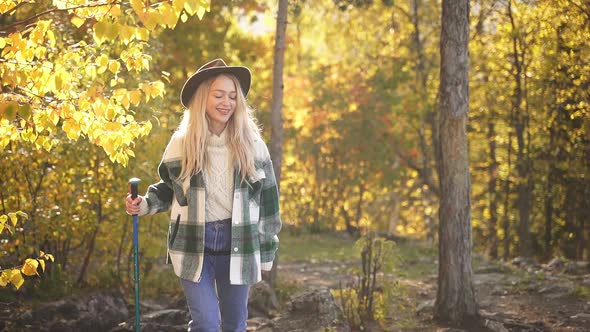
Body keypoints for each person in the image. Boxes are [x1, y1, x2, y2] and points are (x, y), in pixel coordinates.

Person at [125, 58, 282, 332]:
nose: (227, 102)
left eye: (233, 96)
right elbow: (167, 187)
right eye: (218, 94)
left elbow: (269, 203)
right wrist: (145, 204)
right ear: (202, 98)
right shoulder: (182, 143)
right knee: (206, 324)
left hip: (239, 245)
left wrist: (267, 251)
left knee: (235, 325)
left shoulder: (253, 146)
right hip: (192, 244)